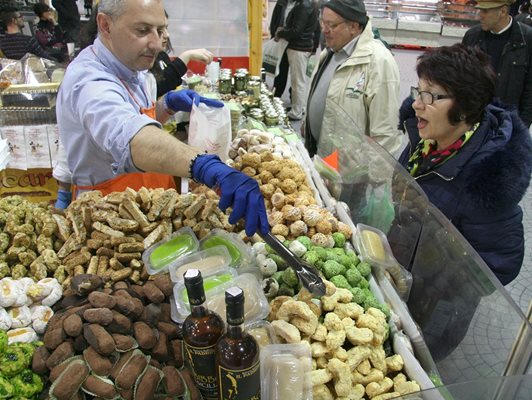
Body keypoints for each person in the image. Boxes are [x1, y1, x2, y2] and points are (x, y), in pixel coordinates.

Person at [55, 0, 269, 237]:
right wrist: (203, 164)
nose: (157, 44)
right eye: (143, 30)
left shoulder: (134, 68)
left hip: (151, 204)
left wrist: (166, 106)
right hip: (109, 217)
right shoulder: (89, 82)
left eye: (160, 29)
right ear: (105, 25)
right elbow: (129, 137)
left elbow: (137, 117)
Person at [398, 43, 532, 286]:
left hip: (428, 303)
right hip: (396, 273)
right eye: (418, 91)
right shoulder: (424, 141)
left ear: (464, 108)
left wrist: (432, 275)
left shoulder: (487, 180)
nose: (417, 103)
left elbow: (499, 265)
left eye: (430, 95)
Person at [303, 0, 403, 158]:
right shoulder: (329, 53)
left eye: (332, 25)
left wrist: (371, 178)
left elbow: (385, 134)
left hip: (351, 173)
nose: (324, 30)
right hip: (321, 159)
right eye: (323, 22)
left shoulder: (379, 62)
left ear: (354, 26)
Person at [462, 0, 532, 128]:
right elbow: (461, 80)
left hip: (509, 123)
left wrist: (521, 126)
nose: (479, 16)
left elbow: (530, 89)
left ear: (503, 11)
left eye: (485, 11)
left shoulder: (527, 39)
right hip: (474, 120)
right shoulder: (472, 37)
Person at [269, 0, 319, 121]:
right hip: (300, 47)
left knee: (298, 82)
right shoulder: (308, 4)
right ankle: (298, 108)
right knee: (298, 80)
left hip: (299, 47)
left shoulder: (303, 6)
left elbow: (296, 31)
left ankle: (297, 111)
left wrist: (280, 32)